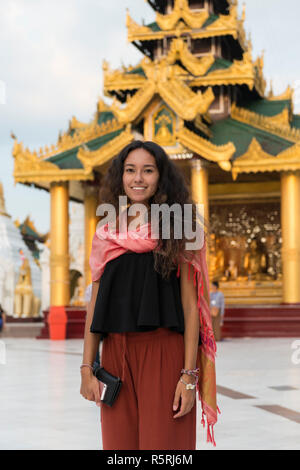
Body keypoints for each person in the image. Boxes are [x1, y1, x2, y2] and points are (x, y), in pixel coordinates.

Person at [80, 141, 219, 450]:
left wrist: (188, 376)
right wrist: (86, 367)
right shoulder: (106, 233)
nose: (138, 179)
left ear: (161, 177)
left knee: (165, 449)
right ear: (121, 177)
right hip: (116, 356)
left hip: (164, 352)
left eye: (147, 170)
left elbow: (190, 306)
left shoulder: (180, 228)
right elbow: (95, 302)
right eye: (130, 170)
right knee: (119, 449)